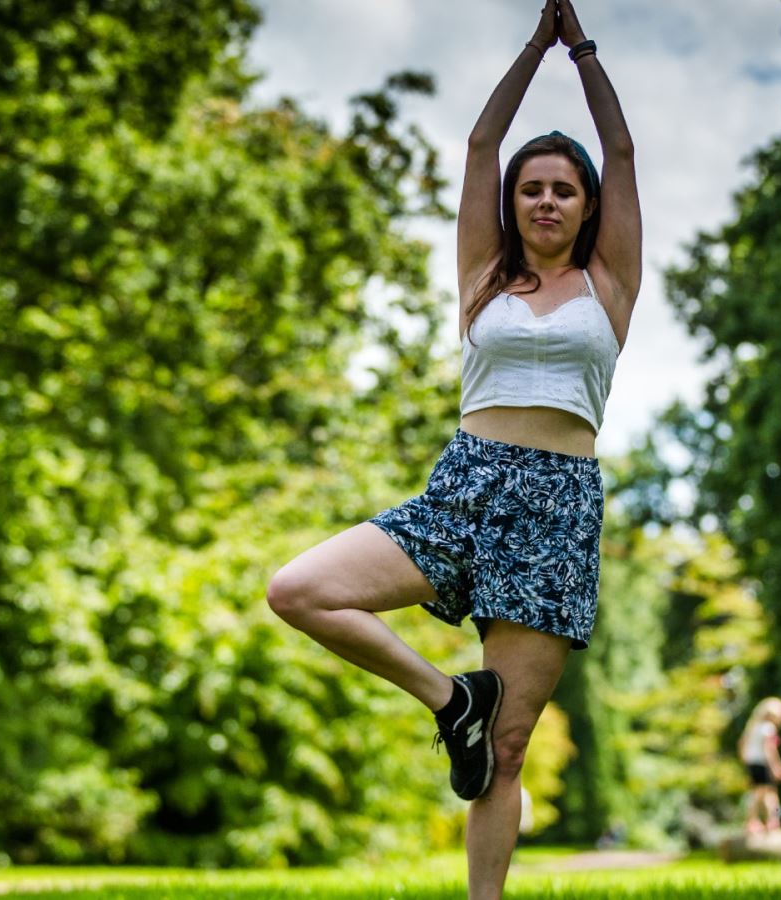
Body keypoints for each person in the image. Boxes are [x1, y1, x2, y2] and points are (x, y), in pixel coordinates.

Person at [265, 1, 639, 896]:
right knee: (299, 590)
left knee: (508, 750)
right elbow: (479, 147)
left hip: (559, 502)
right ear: (513, 202)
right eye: (532, 187)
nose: (546, 199)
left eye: (564, 189)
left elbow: (622, 155)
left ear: (587, 206)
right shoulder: (484, 273)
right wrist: (531, 49)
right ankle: (448, 699)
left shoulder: (609, 282)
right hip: (466, 486)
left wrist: (581, 53)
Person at [737, 697, 781, 834]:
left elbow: (742, 744)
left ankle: (762, 820)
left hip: (752, 763)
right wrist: (777, 766)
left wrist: (746, 761)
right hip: (762, 763)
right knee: (767, 794)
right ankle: (770, 820)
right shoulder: (768, 728)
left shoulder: (753, 727)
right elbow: (769, 748)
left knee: (761, 793)